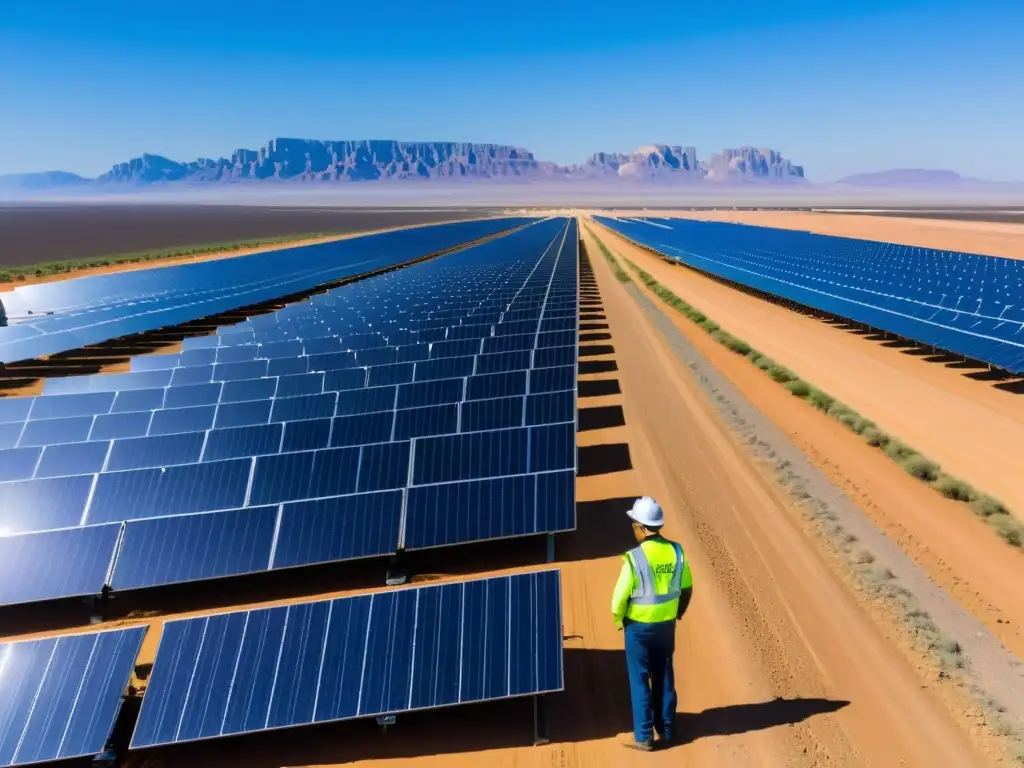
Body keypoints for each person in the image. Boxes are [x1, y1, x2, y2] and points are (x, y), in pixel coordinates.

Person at [611, 496, 693, 751]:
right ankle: (668, 729)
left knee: (639, 679)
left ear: (643, 527)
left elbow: (619, 597)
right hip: (666, 627)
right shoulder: (676, 551)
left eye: (634, 524)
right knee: (664, 675)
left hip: (638, 629)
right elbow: (687, 588)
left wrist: (619, 620)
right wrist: (677, 613)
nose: (633, 528)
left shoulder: (634, 558)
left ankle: (644, 736)